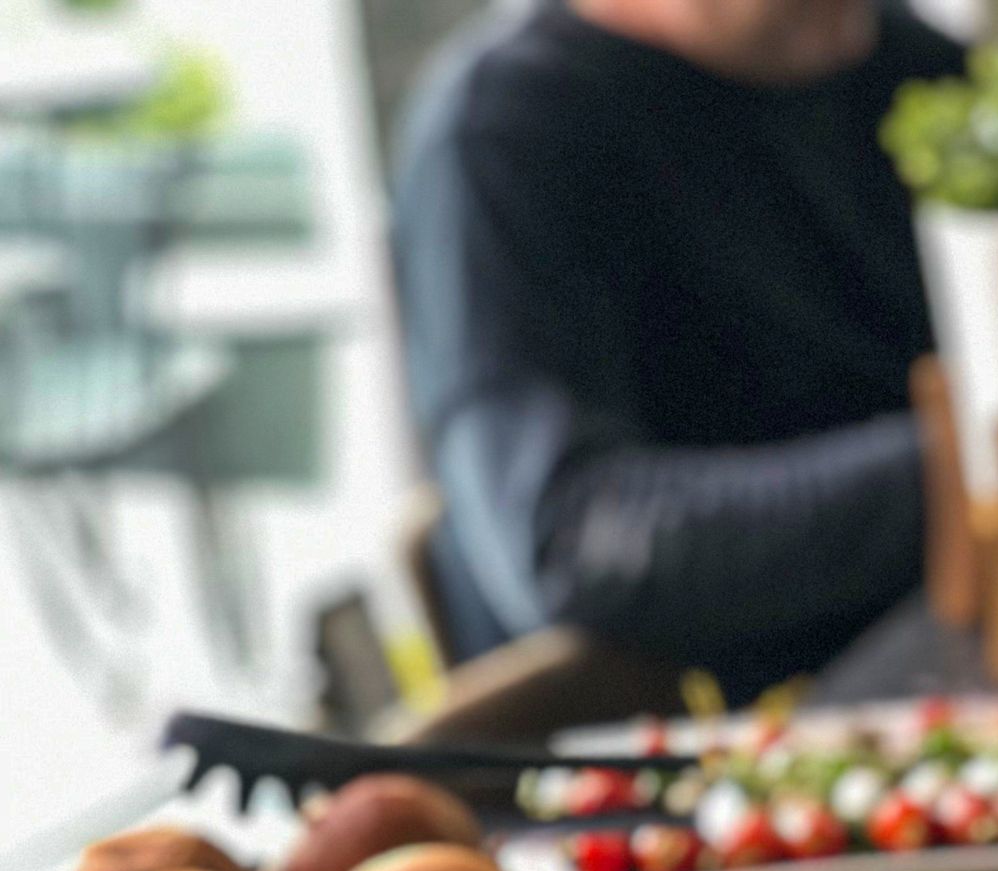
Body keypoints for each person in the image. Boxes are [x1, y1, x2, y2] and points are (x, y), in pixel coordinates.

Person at [392, 0, 965, 701]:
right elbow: (573, 548)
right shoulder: (506, 128)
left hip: (949, 680)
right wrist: (968, 464)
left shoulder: (913, 71)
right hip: (660, 754)